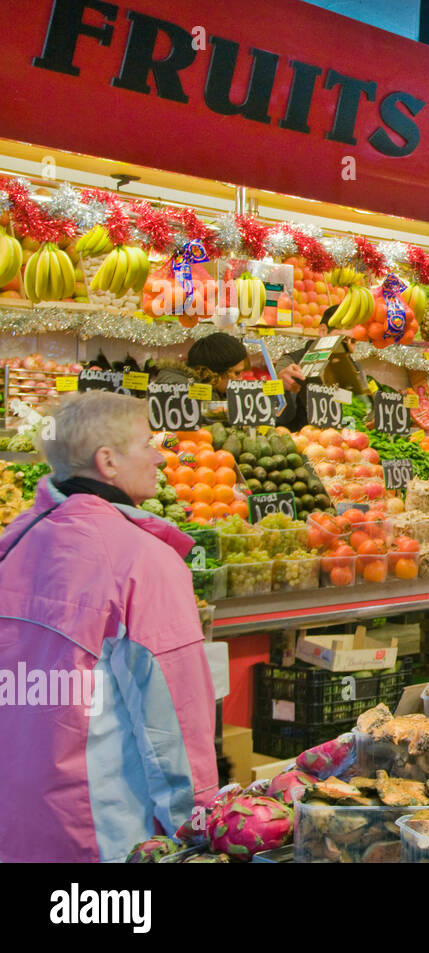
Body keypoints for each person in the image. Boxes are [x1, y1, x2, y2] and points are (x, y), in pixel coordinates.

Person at [0, 392, 218, 862]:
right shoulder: (141, 560)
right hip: (102, 830)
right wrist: (197, 822)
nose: (160, 455)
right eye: (147, 443)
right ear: (108, 461)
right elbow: (174, 720)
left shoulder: (12, 543)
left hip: (16, 822)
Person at [153, 332, 308, 430]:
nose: (240, 379)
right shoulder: (179, 387)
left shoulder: (212, 387)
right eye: (236, 373)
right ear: (215, 373)